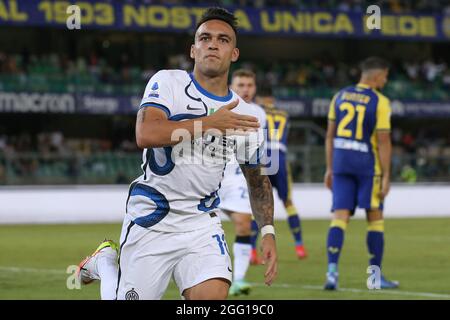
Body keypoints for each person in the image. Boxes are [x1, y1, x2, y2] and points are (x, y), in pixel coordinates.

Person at [77, 7, 277, 300]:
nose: (212, 44)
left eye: (223, 40)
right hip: (152, 218)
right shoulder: (169, 82)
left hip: (201, 223)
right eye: (205, 37)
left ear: (233, 53)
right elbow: (146, 134)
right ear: (193, 49)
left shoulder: (246, 115)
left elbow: (258, 178)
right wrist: (210, 123)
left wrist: (268, 230)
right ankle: (106, 263)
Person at [323, 56, 398, 290]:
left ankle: (332, 273)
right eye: (385, 77)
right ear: (377, 76)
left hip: (341, 163)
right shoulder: (380, 101)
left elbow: (330, 135)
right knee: (375, 219)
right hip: (368, 166)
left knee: (339, 217)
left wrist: (329, 167)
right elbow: (384, 141)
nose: (385, 81)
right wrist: (386, 175)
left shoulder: (339, 95)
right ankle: (374, 279)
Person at [218, 69, 267, 296]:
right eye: (241, 85)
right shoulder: (218, 106)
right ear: (232, 86)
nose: (246, 89)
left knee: (243, 224)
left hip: (238, 176)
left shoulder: (259, 113)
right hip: (211, 174)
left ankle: (237, 279)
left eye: (249, 85)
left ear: (255, 88)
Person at [250, 93, 307, 264]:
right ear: (273, 100)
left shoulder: (256, 111)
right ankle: (299, 246)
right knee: (288, 202)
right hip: (279, 157)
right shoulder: (284, 115)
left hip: (262, 155)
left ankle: (252, 251)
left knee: (258, 203)